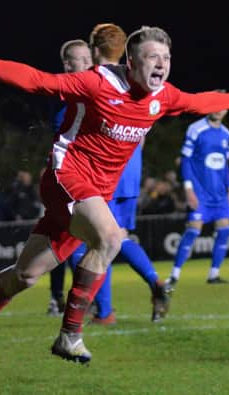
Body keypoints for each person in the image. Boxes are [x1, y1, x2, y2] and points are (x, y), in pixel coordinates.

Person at [0, 23, 229, 368]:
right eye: (151, 56)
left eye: (166, 57)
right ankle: (70, 334)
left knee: (25, 275)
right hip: (65, 175)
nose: (161, 63)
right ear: (131, 60)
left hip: (92, 195)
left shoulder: (162, 96)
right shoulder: (98, 82)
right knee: (111, 238)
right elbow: (38, 80)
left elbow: (196, 101)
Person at [62, 23, 172, 325]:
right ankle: (155, 282)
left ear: (94, 52)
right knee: (116, 236)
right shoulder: (133, 77)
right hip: (129, 170)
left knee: (86, 241)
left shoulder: (96, 83)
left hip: (104, 172)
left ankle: (105, 310)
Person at [46, 39, 93, 316]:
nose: (88, 65)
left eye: (90, 59)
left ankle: (68, 298)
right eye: (82, 60)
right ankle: (64, 298)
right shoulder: (64, 91)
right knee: (70, 238)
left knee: (67, 239)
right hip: (64, 173)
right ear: (67, 65)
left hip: (80, 173)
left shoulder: (87, 90)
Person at [166, 109, 229, 286]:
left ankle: (214, 274)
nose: (219, 110)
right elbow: (185, 160)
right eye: (216, 105)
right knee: (193, 230)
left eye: (223, 107)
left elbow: (225, 164)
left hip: (219, 194)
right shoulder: (196, 129)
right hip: (200, 193)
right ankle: (174, 275)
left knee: (225, 230)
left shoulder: (226, 133)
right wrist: (189, 189)